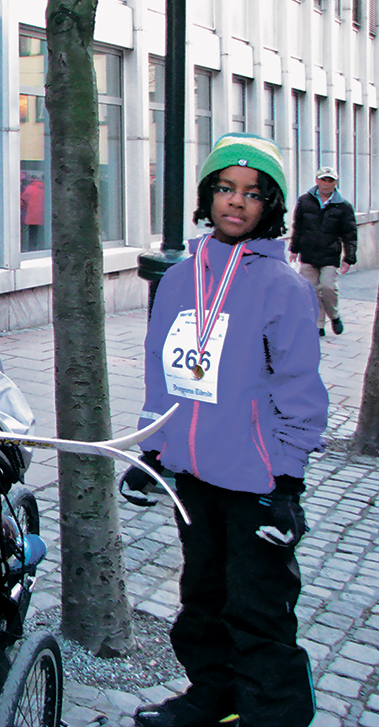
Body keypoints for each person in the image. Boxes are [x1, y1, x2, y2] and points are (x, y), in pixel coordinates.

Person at [120, 133, 327, 727]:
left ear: (271, 206)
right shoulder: (182, 279)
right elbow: (164, 372)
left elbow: (298, 388)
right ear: (208, 197)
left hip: (256, 480)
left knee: (258, 611)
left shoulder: (283, 286)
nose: (236, 203)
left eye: (252, 194)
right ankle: (212, 698)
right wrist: (153, 453)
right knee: (203, 602)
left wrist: (287, 485)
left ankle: (271, 715)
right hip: (194, 475)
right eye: (225, 190)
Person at [289, 165, 357, 337]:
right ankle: (318, 324)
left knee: (328, 287)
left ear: (335, 182)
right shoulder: (305, 201)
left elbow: (350, 234)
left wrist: (349, 258)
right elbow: (298, 227)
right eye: (323, 179)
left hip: (330, 255)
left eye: (330, 180)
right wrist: (294, 249)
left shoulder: (343, 206)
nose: (326, 184)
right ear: (317, 180)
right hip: (308, 253)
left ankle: (334, 316)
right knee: (311, 290)